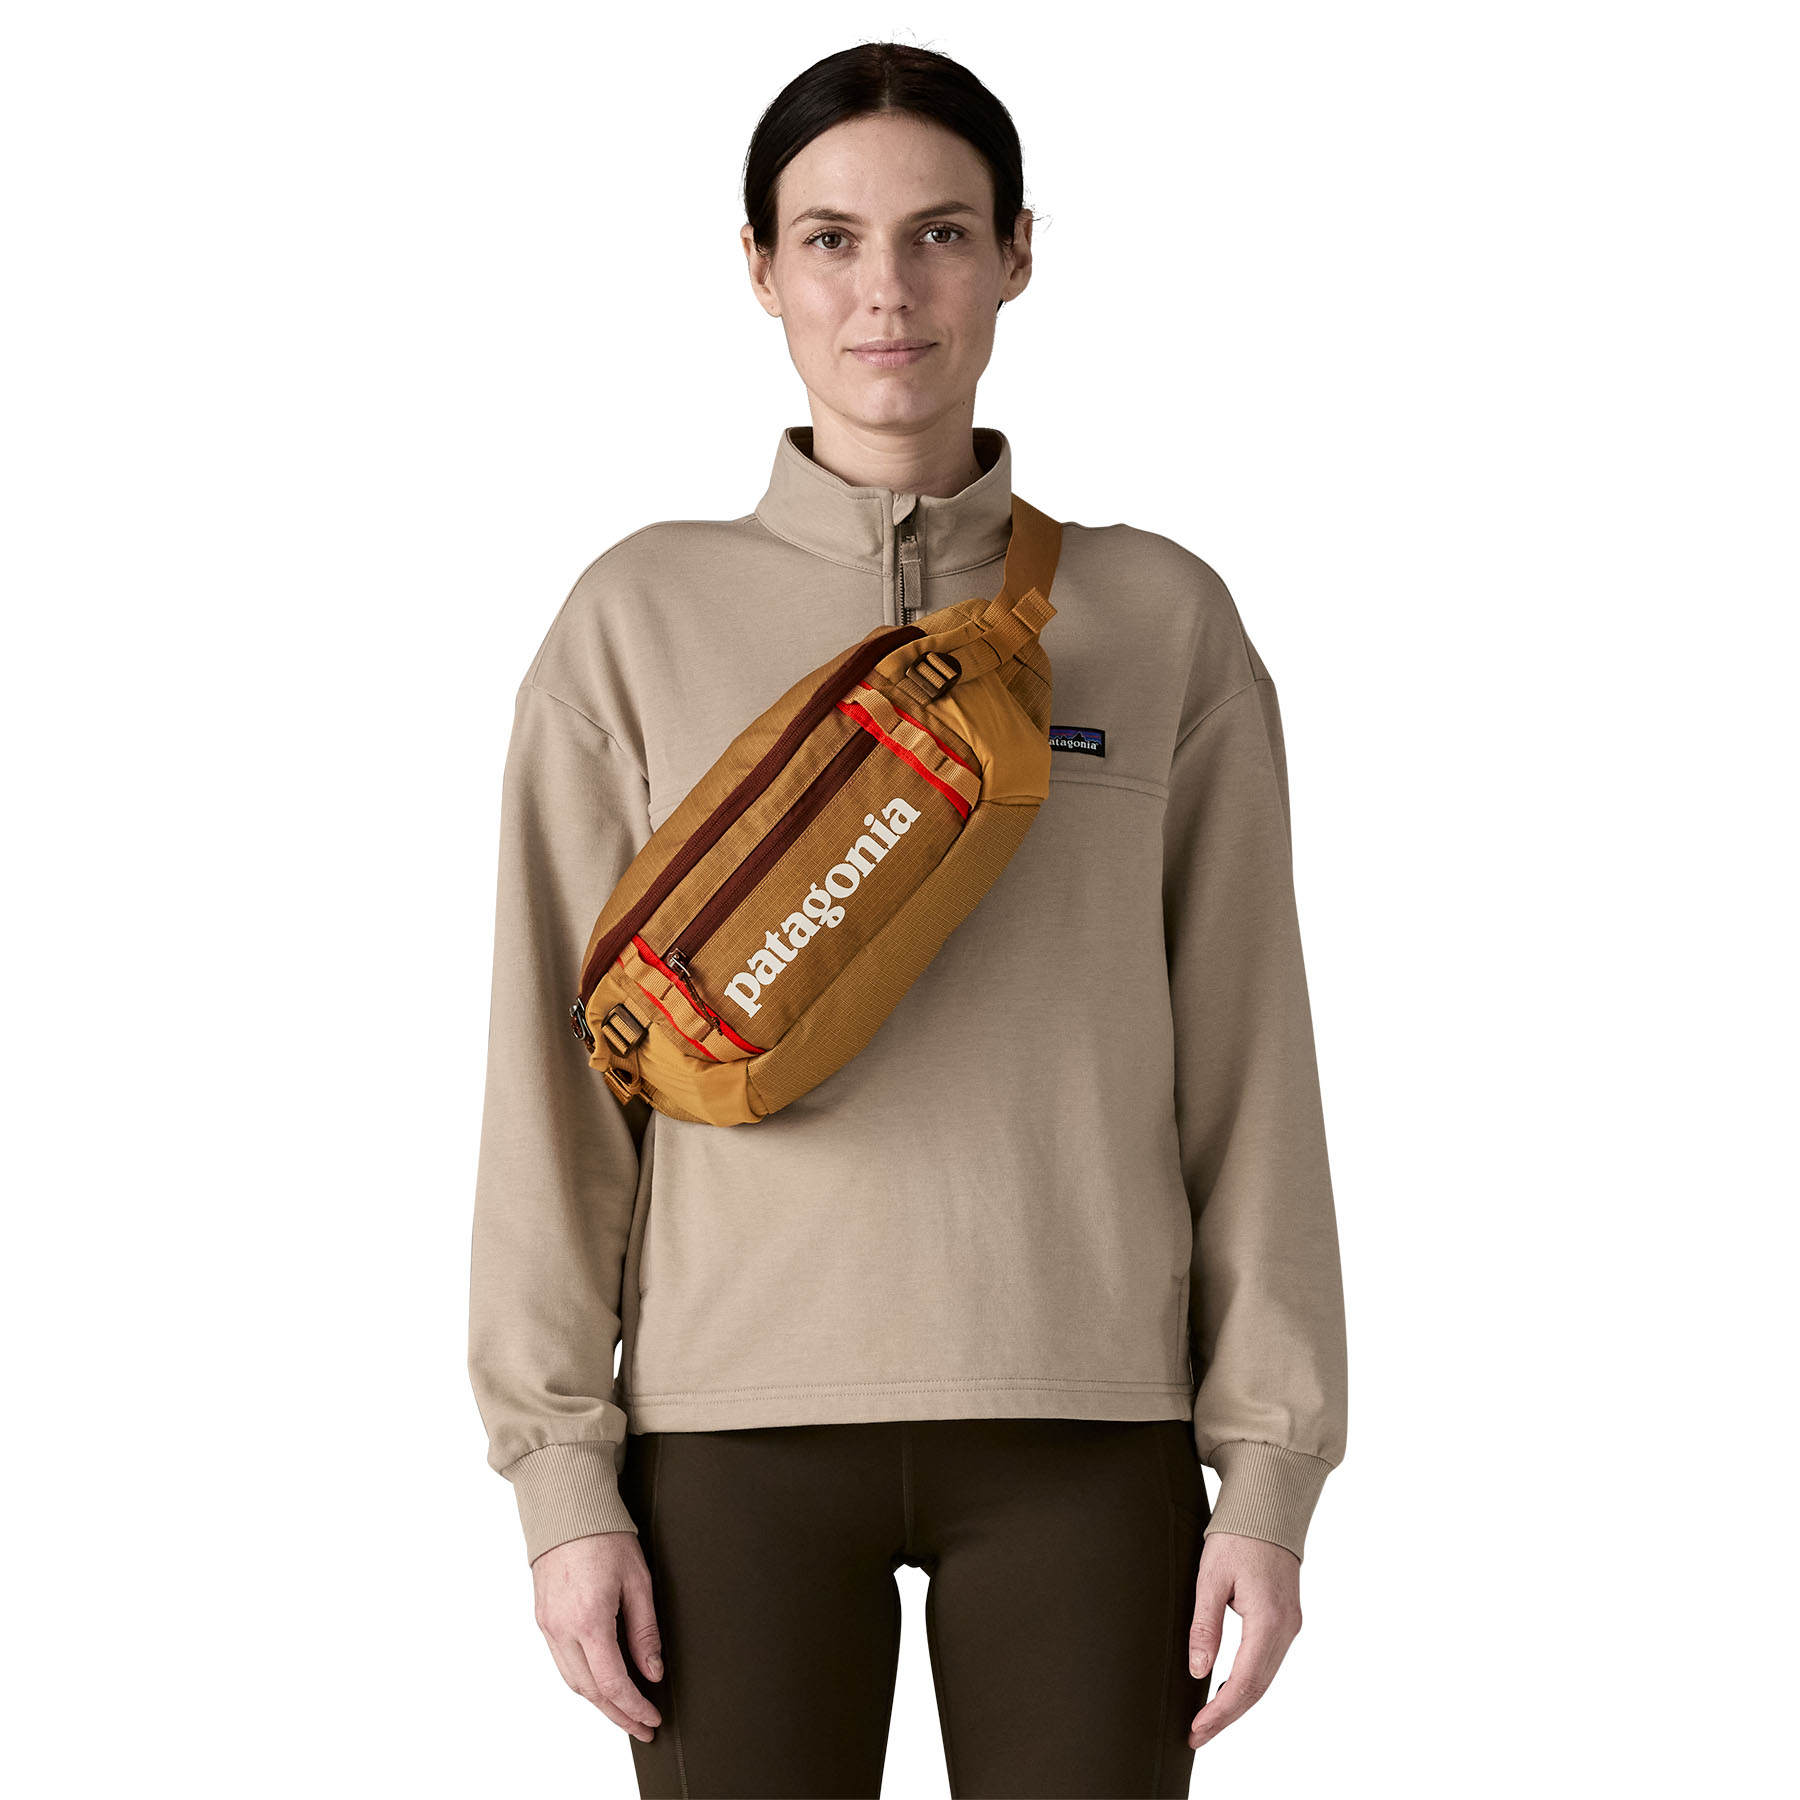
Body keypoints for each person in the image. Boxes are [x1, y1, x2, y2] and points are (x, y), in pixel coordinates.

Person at [467, 41, 1348, 1799]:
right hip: (726, 1438)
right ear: (759, 267)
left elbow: (1253, 1064)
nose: (887, 290)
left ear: (1017, 253)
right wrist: (561, 1478)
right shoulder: (634, 617)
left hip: (1089, 1429)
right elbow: (552, 1077)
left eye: (941, 233)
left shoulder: (1158, 618)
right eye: (831, 239)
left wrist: (1269, 1471)